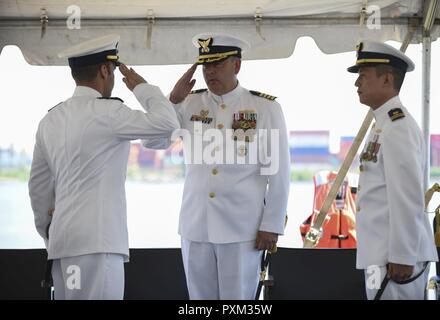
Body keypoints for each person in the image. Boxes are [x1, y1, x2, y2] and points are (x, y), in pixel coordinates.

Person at [28, 34, 179, 299]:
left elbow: (38, 188)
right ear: (104, 69)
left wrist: (50, 233)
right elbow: (167, 124)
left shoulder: (49, 120)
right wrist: (142, 88)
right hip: (98, 244)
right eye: (112, 71)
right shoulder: (109, 113)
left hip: (63, 246)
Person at [140, 33, 290, 299]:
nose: (210, 71)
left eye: (217, 64)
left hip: (242, 228)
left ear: (236, 65)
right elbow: (153, 142)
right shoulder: (188, 102)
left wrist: (272, 224)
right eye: (205, 65)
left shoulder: (264, 107)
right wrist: (171, 101)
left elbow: (278, 173)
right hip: (196, 225)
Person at [348, 40, 438, 300]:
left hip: (396, 259)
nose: (357, 83)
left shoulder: (398, 127)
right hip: (381, 255)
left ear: (387, 80)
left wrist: (402, 255)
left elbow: (406, 196)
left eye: (363, 76)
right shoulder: (383, 123)